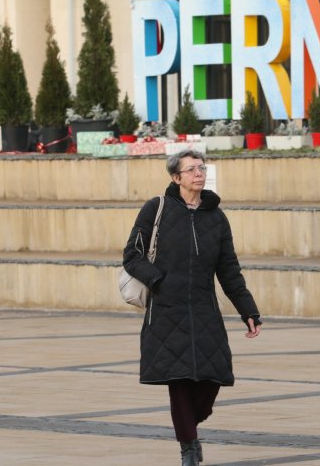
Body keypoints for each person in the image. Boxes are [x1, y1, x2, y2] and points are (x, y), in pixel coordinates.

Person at [122, 150, 263, 466]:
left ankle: (189, 424)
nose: (199, 173)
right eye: (191, 169)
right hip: (166, 309)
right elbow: (132, 255)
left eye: (202, 168)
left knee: (214, 377)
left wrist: (248, 310)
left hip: (204, 309)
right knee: (180, 381)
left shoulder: (216, 217)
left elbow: (228, 269)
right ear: (176, 177)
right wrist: (158, 280)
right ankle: (188, 447)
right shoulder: (156, 209)